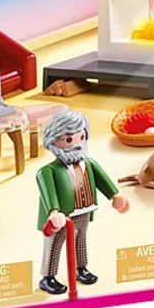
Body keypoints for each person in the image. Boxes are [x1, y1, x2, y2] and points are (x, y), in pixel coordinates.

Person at [36, 111, 129, 295]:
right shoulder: (48, 171)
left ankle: (81, 269)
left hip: (84, 211)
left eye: (81, 137)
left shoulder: (89, 163)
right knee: (54, 245)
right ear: (53, 141)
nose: (77, 144)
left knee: (81, 241)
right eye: (69, 140)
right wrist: (54, 212)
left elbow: (102, 181)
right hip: (61, 218)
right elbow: (48, 193)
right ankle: (48, 277)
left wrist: (114, 195)